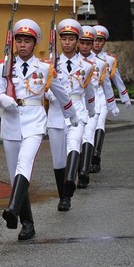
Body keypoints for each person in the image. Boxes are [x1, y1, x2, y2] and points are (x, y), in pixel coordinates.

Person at [0, 18, 78, 240]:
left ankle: (12, 209)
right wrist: (3, 100)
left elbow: (61, 93)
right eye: (19, 40)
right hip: (11, 123)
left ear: (34, 43)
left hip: (34, 122)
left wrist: (72, 116)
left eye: (27, 41)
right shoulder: (4, 66)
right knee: (14, 175)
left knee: (25, 163)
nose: (22, 45)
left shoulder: (45, 68)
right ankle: (27, 224)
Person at [47, 18, 95, 212]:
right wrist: (49, 93)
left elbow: (89, 90)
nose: (67, 42)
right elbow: (42, 89)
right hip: (56, 112)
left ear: (77, 40)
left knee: (74, 143)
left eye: (71, 39)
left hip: (77, 110)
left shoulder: (86, 66)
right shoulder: (50, 65)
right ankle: (63, 196)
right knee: (58, 160)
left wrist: (91, 111)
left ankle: (69, 183)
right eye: (64, 38)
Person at [76, 25, 119, 189]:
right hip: (77, 104)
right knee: (77, 139)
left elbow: (107, 86)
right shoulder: (72, 61)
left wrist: (112, 104)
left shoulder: (101, 64)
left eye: (89, 42)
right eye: (83, 42)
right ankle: (79, 167)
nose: (86, 46)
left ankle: (84, 172)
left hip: (94, 103)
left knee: (88, 135)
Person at [90, 25, 131, 173]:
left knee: (100, 124)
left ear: (104, 42)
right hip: (86, 96)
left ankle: (96, 157)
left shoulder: (109, 60)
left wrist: (124, 97)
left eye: (100, 40)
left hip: (101, 95)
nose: (96, 43)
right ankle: (85, 158)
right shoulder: (81, 58)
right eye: (94, 40)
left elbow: (116, 80)